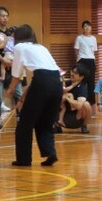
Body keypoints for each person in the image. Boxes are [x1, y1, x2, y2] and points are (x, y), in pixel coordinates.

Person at [7, 24, 62, 167]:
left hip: (42, 82)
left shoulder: (19, 47)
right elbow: (45, 76)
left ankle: (24, 160)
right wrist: (23, 97)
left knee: (25, 124)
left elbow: (17, 74)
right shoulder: (41, 48)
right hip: (57, 83)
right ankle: (50, 153)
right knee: (45, 122)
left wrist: (10, 89)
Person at [56, 63, 91, 133]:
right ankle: (56, 125)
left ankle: (84, 125)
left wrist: (67, 98)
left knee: (86, 104)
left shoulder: (83, 87)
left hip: (76, 119)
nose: (72, 74)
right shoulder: (66, 83)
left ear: (81, 77)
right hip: (63, 117)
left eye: (75, 73)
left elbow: (79, 106)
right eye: (72, 71)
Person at [74, 20, 97, 116]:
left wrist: (93, 60)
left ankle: (92, 106)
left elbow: (94, 51)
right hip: (82, 60)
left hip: (91, 60)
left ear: (91, 28)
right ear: (82, 28)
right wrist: (79, 60)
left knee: (91, 83)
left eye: (89, 26)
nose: (87, 28)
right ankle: (80, 104)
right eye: (85, 26)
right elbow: (76, 50)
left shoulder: (93, 38)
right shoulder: (79, 38)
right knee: (81, 82)